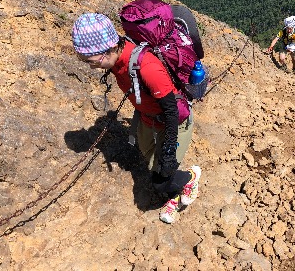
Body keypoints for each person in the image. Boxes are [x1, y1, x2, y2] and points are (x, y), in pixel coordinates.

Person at [71, 13, 201, 224]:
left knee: (161, 179)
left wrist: (168, 151)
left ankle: (189, 180)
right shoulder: (116, 59)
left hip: (173, 121)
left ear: (110, 48)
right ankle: (172, 178)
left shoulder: (147, 66)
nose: (91, 66)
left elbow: (171, 111)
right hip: (147, 118)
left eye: (92, 61)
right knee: (151, 162)